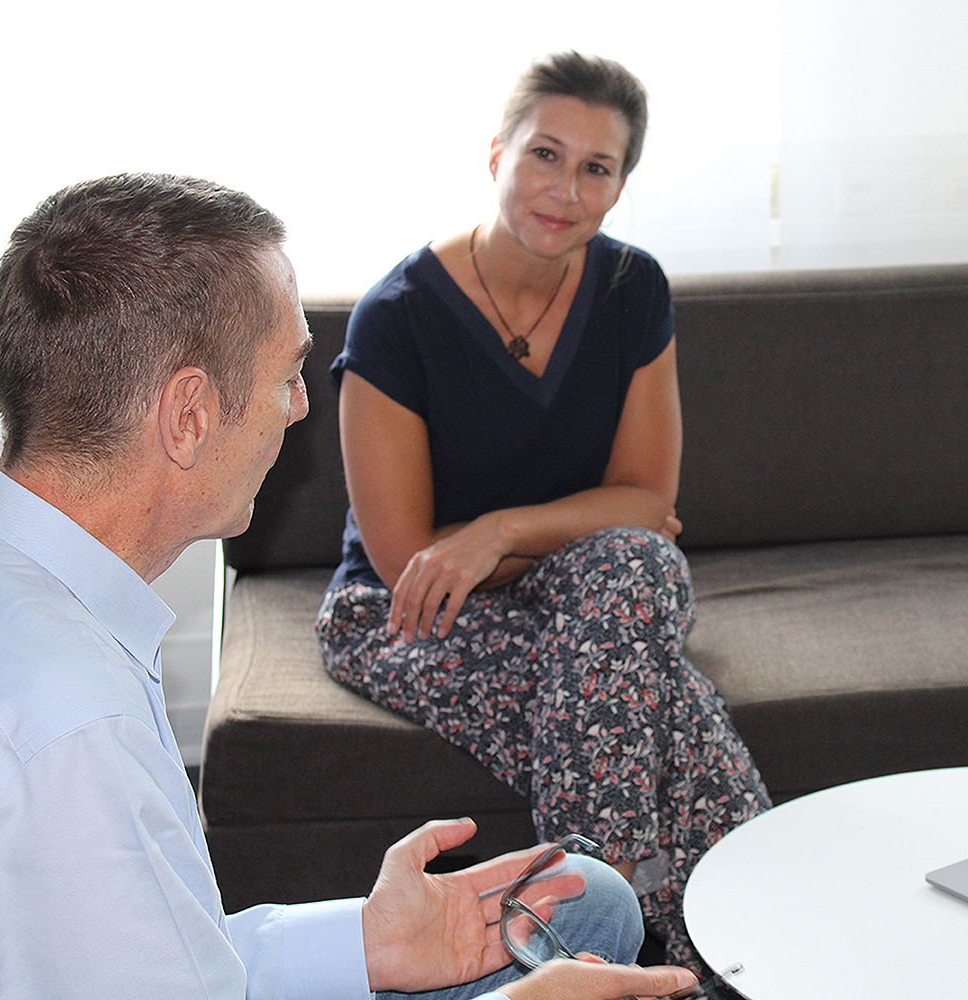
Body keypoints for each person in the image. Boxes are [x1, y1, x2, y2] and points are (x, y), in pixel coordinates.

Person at [0, 172, 697, 1000]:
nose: (303, 407)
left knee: (587, 898)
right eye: (287, 375)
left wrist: (363, 943)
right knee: (581, 935)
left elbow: (140, 950)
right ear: (189, 416)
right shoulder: (59, 726)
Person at [316, 51, 770, 966]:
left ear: (620, 187)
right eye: (544, 155)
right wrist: (556, 536)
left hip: (575, 592)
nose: (564, 189)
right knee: (658, 706)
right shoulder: (397, 316)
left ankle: (602, 950)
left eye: (596, 168)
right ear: (496, 156)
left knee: (639, 569)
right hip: (404, 614)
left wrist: (498, 533)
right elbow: (412, 558)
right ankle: (714, 956)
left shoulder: (632, 289)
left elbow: (647, 507)